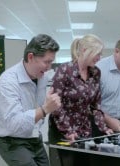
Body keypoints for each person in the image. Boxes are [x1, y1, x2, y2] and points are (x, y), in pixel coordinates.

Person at [0, 34, 61, 166]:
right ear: (30, 57)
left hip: (32, 135)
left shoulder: (42, 75)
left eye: (51, 62)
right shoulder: (8, 82)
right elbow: (14, 123)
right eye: (47, 62)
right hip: (10, 139)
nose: (49, 67)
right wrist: (45, 109)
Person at [48, 34, 113, 165]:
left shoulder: (96, 73)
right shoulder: (64, 70)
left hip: (84, 130)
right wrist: (68, 131)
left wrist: (103, 127)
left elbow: (95, 105)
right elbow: (55, 105)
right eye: (97, 54)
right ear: (85, 51)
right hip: (62, 131)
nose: (99, 58)